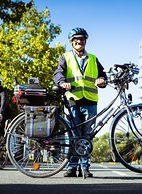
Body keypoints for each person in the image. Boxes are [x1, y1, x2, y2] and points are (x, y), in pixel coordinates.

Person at [53, 27, 107, 177]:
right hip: (72, 101)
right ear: (72, 42)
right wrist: (62, 82)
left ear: (85, 41)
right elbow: (58, 73)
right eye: (76, 39)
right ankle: (71, 167)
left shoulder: (93, 58)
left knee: (87, 136)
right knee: (73, 135)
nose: (79, 41)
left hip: (90, 101)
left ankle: (85, 167)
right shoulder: (66, 57)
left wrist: (102, 80)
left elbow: (103, 76)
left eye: (82, 39)